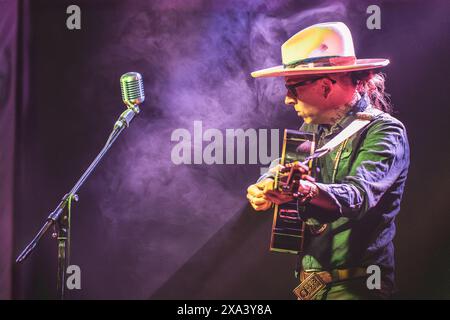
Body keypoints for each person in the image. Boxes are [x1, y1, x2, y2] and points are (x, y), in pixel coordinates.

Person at [246, 22, 410, 300]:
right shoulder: (311, 131)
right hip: (309, 288)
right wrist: (264, 186)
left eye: (293, 88)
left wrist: (307, 190)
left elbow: (359, 196)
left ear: (324, 86)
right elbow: (280, 169)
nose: (287, 100)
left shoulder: (384, 130)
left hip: (356, 288)